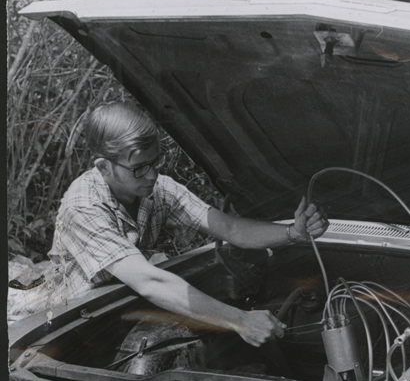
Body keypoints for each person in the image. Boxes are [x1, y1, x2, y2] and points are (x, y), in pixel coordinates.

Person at [24, 102, 329, 345]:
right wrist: (239, 319)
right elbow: (150, 281)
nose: (153, 175)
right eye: (139, 168)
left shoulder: (157, 189)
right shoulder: (83, 207)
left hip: (120, 306)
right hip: (64, 326)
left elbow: (231, 229)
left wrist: (293, 233)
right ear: (104, 167)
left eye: (156, 162)